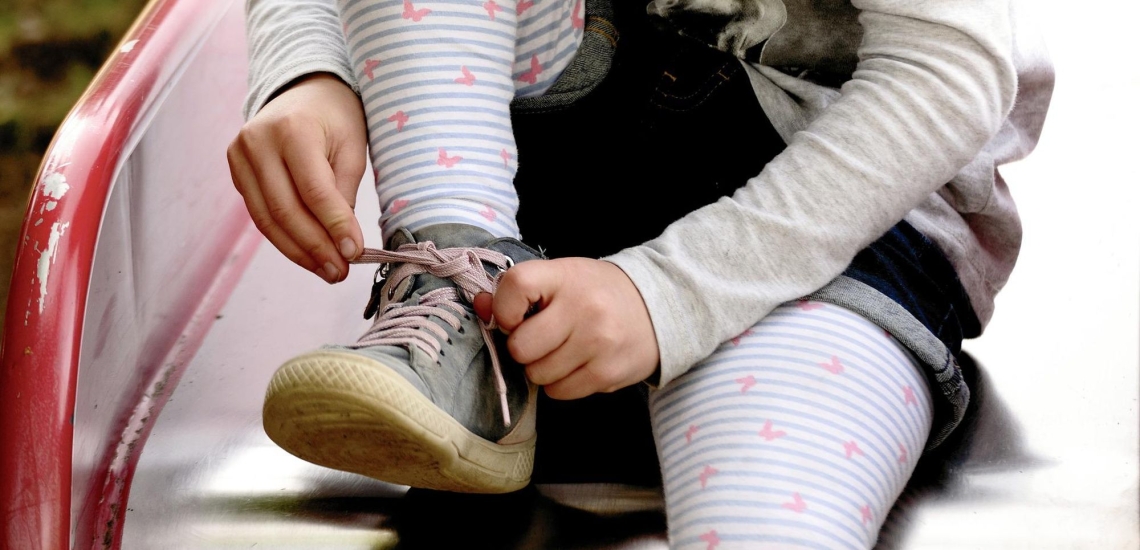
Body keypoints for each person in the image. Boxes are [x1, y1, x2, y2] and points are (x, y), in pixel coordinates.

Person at [227, 0, 1054, 546]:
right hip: (539, 194)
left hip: (835, 213)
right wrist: (314, 70)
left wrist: (671, 294)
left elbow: (946, 73)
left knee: (766, 519)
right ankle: (458, 295)